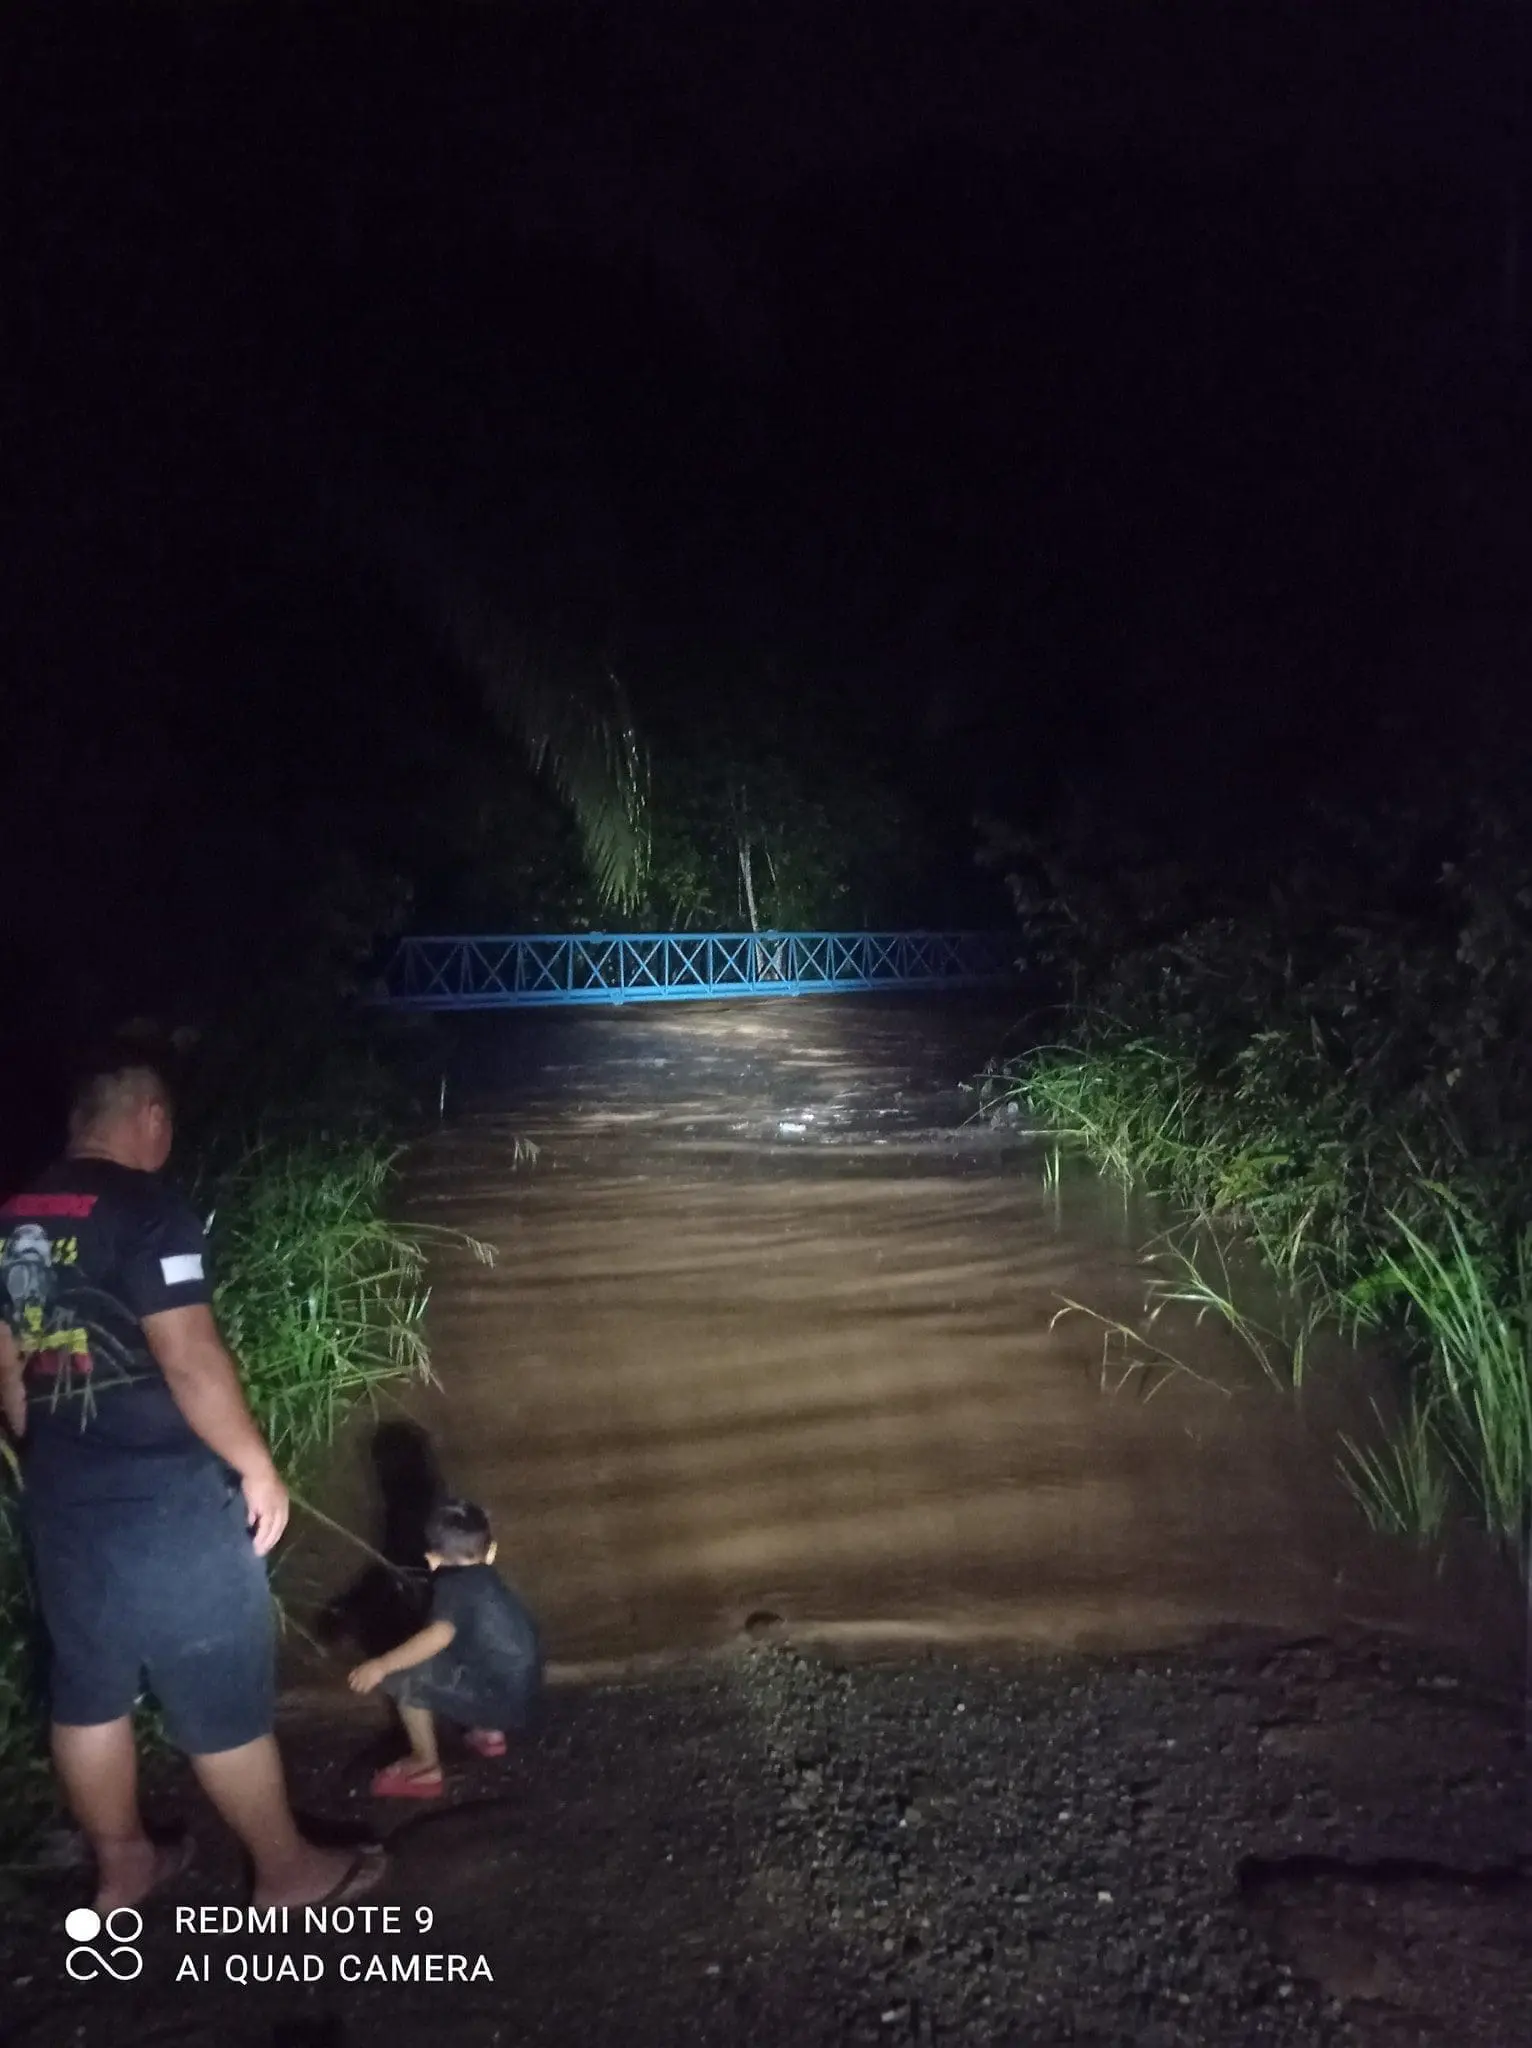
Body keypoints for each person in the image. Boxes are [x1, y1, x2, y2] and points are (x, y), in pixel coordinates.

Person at [0, 1058, 384, 1910]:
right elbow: (190, 1358)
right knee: (216, 1681)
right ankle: (286, 1874)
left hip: (63, 1490)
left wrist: (50, 1457)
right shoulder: (150, 1210)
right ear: (148, 1117)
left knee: (88, 1688)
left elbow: (8, 1362)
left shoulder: (19, 1212)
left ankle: (122, 1865)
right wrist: (256, 1467)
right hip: (165, 1494)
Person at [348, 1497, 542, 1798]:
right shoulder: (488, 1578)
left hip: (499, 1701)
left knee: (403, 1676)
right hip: (525, 1692)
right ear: (490, 1551)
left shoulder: (453, 1588)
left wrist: (382, 1665)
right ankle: (488, 1733)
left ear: (432, 1558)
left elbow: (437, 1636)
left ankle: (425, 1766)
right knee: (470, 1652)